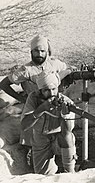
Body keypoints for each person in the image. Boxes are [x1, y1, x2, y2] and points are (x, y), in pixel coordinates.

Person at [0, 35, 72, 165]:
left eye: (42, 51)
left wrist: (61, 77)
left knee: (65, 137)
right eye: (36, 51)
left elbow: (67, 69)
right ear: (31, 52)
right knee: (34, 145)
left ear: (48, 52)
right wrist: (21, 98)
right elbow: (4, 84)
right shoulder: (25, 70)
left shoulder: (54, 63)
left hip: (55, 109)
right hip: (35, 109)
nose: (39, 54)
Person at [21, 71, 76, 175]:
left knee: (68, 137)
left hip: (60, 140)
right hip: (40, 140)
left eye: (53, 89)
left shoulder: (65, 101)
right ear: (40, 90)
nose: (51, 94)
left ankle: (70, 172)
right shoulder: (33, 98)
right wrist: (41, 109)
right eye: (46, 90)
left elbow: (67, 131)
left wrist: (65, 115)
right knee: (42, 176)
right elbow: (24, 126)